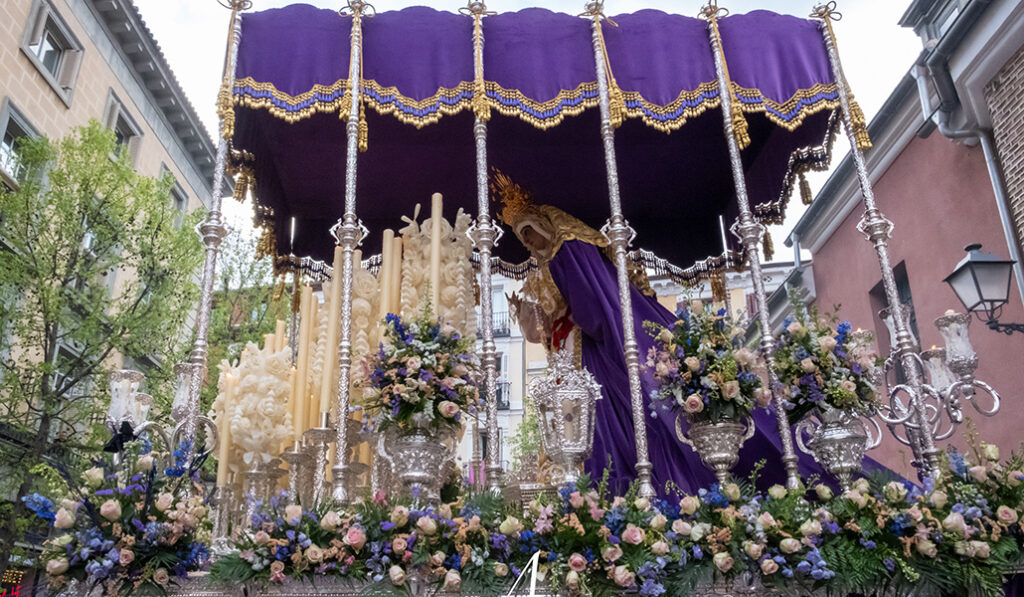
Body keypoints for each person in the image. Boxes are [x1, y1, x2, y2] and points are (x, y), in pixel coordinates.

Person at [494, 172, 826, 494]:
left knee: (624, 423)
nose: (529, 243)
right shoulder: (552, 266)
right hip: (572, 363)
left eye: (529, 233)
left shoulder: (570, 254)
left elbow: (593, 312)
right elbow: (547, 331)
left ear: (544, 226)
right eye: (523, 238)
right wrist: (530, 317)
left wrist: (559, 310)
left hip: (597, 359)